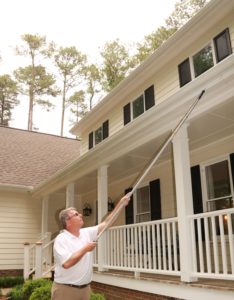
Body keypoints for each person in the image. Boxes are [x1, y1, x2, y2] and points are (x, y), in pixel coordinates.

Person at [51, 193, 131, 300]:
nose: (81, 215)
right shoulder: (61, 239)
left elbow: (107, 223)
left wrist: (121, 204)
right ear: (68, 222)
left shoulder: (86, 233)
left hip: (85, 290)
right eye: (76, 214)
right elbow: (66, 263)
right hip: (65, 290)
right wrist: (86, 249)